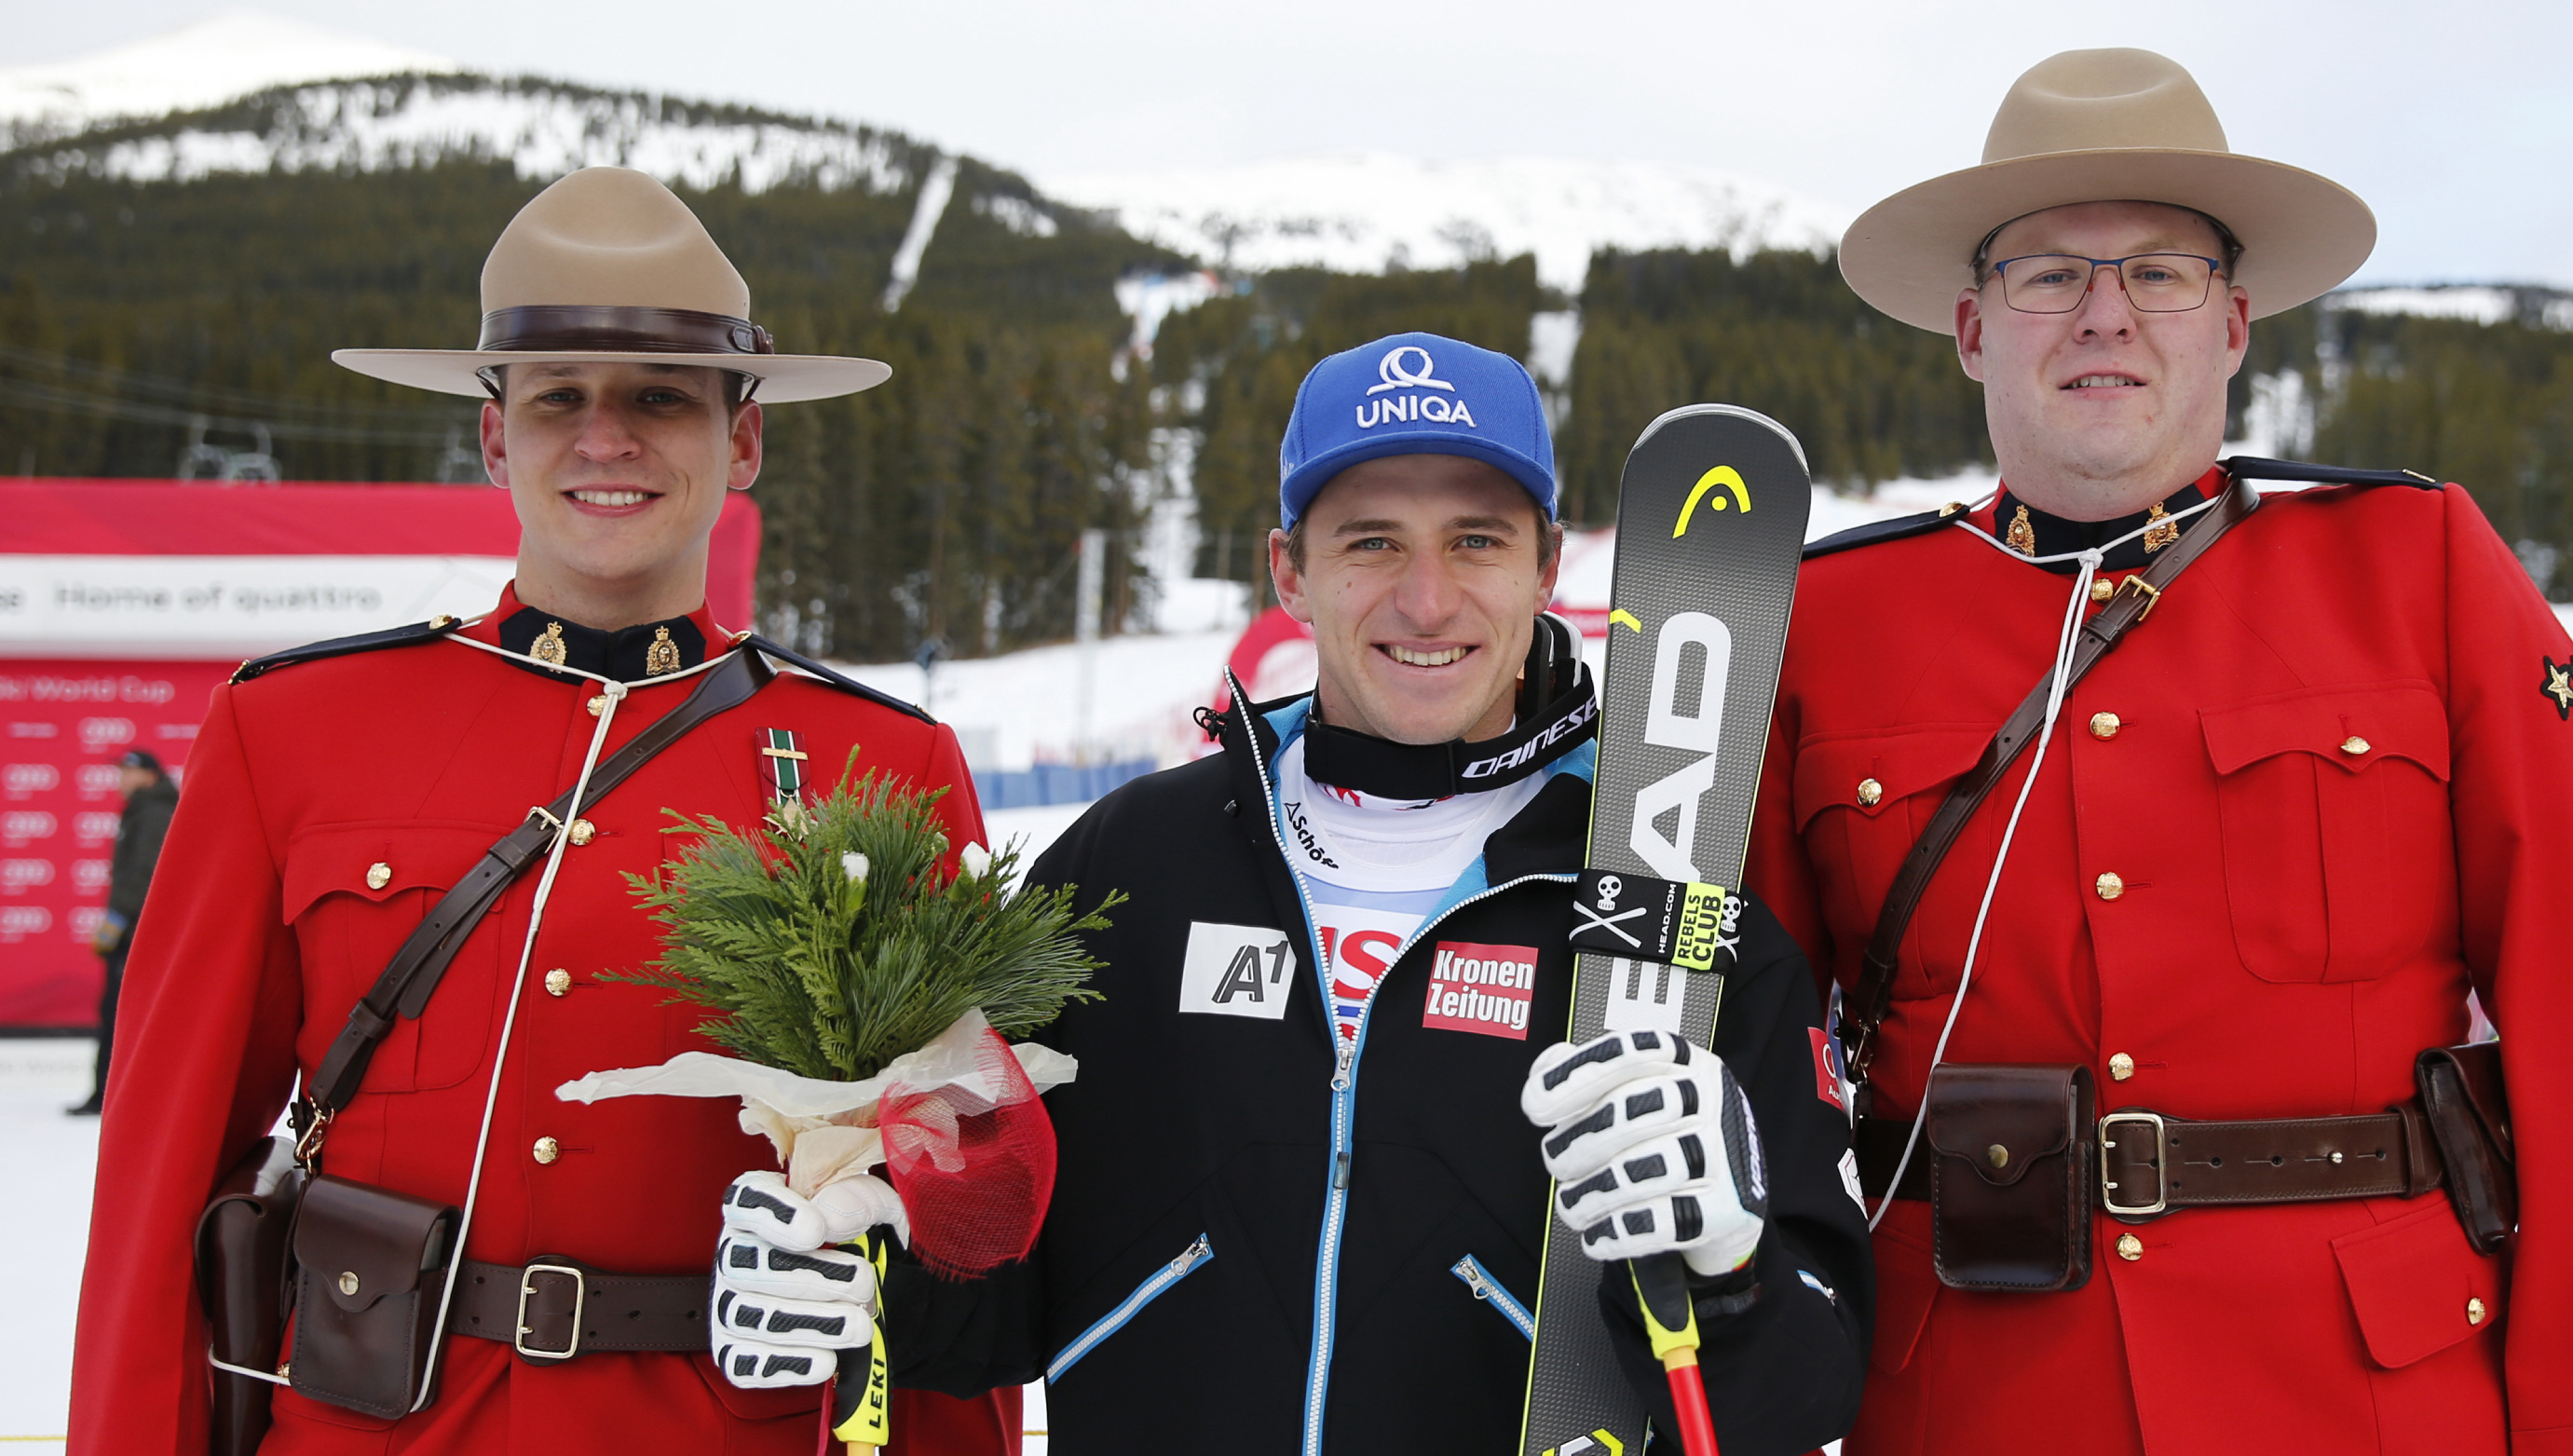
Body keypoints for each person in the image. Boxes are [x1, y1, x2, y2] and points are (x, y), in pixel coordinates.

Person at [1746, 48, 2573, 1456]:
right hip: (1978, 1399)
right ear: (1970, 326)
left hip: (2371, 1396)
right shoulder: (1824, 622)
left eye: (2162, 273)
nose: (2104, 315)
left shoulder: (2419, 567)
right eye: (2049, 274)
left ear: (2236, 322)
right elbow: (1733, 1039)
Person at [704, 332, 1870, 1453]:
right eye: (1370, 543)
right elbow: (996, 1294)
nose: (1425, 600)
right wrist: (865, 1277)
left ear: (1547, 570)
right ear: (1289, 572)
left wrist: (1733, 1263)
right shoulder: (1128, 871)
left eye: (1475, 541)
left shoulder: (1669, 914)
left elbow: (1804, 1395)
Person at [69, 167, 1016, 1455]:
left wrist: (893, 1221)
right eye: (558, 396)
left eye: (661, 399)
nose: (605, 437)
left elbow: (978, 1200)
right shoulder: (290, 729)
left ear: (743, 439)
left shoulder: (882, 762)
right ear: (491, 434)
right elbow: (162, 1175)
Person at [71, 746, 179, 1116]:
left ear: (148, 776)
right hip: (138, 934)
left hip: (137, 937)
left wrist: (114, 923)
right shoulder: (146, 811)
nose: (120, 780)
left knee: (119, 1015)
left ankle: (108, 1095)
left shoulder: (152, 814)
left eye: (126, 772)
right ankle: (113, 1094)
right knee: (124, 1014)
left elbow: (142, 878)